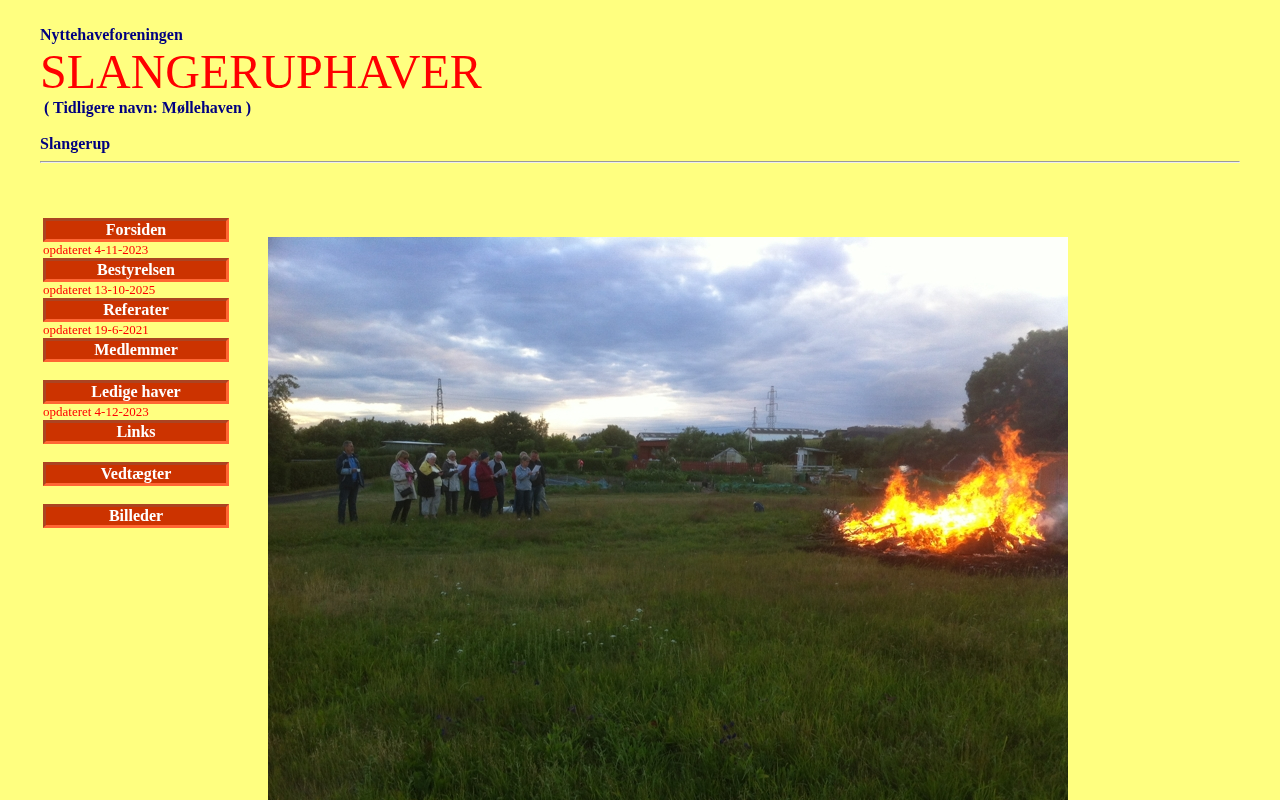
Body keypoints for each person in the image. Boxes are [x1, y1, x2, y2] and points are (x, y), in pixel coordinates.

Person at [335, 440, 364, 523]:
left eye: (352, 446)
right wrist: (350, 470)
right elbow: (339, 470)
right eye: (351, 446)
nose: (352, 448)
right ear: (346, 447)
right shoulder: (341, 458)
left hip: (354, 483)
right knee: (343, 503)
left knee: (353, 502)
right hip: (345, 484)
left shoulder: (355, 457)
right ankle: (341, 521)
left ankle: (354, 519)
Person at [389, 450, 416, 524]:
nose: (406, 460)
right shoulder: (395, 466)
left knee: (407, 506)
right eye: (405, 458)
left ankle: (403, 521)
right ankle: (393, 521)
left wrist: (413, 475)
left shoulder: (409, 464)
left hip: (409, 486)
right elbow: (394, 477)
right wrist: (405, 475)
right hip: (400, 488)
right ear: (399, 458)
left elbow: (415, 472)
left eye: (407, 458)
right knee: (399, 506)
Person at [418, 452, 442, 519]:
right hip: (428, 486)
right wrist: (438, 474)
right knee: (427, 500)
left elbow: (440, 472)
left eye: (435, 459)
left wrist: (442, 473)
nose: (434, 461)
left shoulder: (435, 466)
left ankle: (433, 514)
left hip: (438, 485)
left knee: (436, 501)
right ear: (428, 459)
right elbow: (429, 475)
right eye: (432, 459)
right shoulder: (424, 466)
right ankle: (425, 514)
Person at [474, 452, 496, 517]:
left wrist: (493, 476)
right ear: (483, 459)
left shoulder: (487, 466)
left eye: (488, 459)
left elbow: (490, 473)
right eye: (487, 459)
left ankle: (488, 512)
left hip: (490, 486)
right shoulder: (479, 466)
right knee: (485, 501)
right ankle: (484, 514)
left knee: (490, 500)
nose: (488, 460)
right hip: (484, 487)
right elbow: (479, 477)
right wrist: (489, 477)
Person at [439, 450, 461, 515]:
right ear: (448, 457)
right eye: (452, 457)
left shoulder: (456, 463)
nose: (453, 458)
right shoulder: (446, 464)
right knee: (448, 500)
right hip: (448, 484)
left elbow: (458, 475)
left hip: (456, 483)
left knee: (455, 499)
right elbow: (445, 474)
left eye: (454, 456)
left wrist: (460, 474)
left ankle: (455, 512)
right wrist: (453, 472)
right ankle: (448, 512)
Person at [513, 453, 534, 520]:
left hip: (528, 488)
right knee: (520, 502)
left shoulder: (528, 469)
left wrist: (535, 474)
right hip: (520, 488)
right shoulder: (518, 468)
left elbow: (532, 478)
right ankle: (518, 516)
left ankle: (528, 515)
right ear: (523, 461)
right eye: (527, 461)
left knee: (528, 503)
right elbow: (519, 477)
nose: (528, 463)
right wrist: (527, 474)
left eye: (528, 462)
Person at [530, 450, 550, 514]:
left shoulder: (539, 463)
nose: (534, 457)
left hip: (539, 484)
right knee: (530, 499)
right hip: (531, 484)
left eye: (535, 456)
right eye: (533, 456)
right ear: (530, 456)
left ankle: (536, 512)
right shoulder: (528, 463)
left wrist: (542, 482)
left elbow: (543, 473)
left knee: (537, 500)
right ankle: (529, 512)